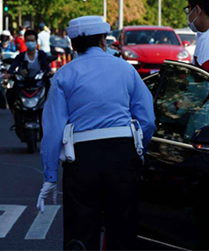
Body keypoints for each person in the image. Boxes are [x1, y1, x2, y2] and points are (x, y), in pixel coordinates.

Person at [38, 16, 156, 251]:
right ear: (104, 40)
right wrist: (138, 149)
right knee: (122, 230)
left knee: (80, 231)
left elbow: (52, 130)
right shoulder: (125, 69)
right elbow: (148, 120)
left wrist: (50, 175)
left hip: (82, 158)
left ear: (73, 45)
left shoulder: (64, 74)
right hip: (122, 155)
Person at [4, 29, 51, 121]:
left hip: (39, 82)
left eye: (32, 41)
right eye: (28, 41)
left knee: (51, 90)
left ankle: (49, 112)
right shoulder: (21, 56)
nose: (30, 43)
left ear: (36, 42)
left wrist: (49, 72)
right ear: (25, 42)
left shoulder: (41, 55)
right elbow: (14, 64)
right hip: (24, 82)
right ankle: (15, 113)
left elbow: (46, 65)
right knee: (10, 92)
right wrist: (9, 73)